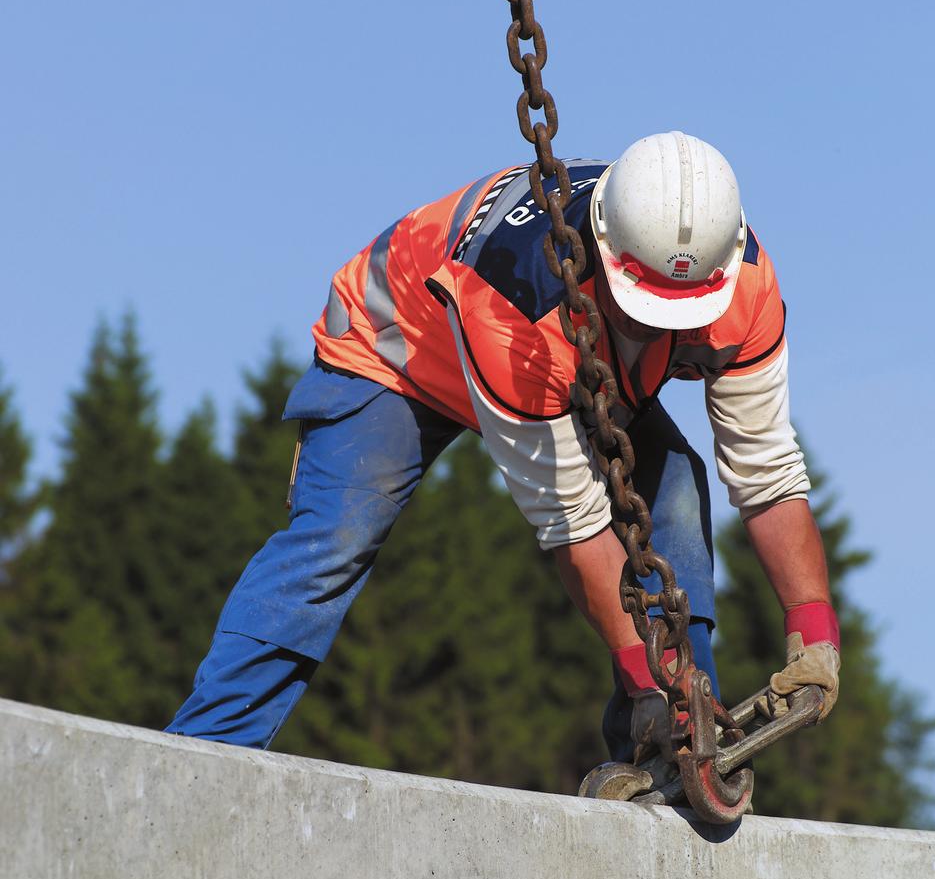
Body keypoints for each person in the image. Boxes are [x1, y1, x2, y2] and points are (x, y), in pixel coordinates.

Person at [166, 131, 841, 768]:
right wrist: (648, 676)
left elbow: (767, 475)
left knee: (675, 495)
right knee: (335, 538)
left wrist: (814, 632)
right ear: (604, 255)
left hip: (566, 362)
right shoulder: (518, 299)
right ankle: (207, 750)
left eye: (681, 312)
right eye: (643, 306)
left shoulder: (743, 282)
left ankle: (675, 747)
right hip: (398, 348)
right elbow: (573, 524)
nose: (660, 324)